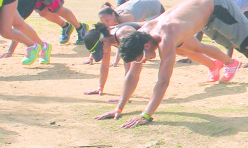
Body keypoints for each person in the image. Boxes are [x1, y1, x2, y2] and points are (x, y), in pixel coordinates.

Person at [95, 0, 248, 127]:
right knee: (246, 49)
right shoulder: (142, 35)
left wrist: (146, 115)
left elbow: (162, 81)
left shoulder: (166, 38)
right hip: (205, 11)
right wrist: (119, 107)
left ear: (146, 46)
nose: (144, 61)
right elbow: (133, 73)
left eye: (143, 57)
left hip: (217, 5)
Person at [82, 20, 231, 95]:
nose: (104, 53)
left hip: (165, 31)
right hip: (154, 41)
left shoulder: (123, 35)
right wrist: (100, 87)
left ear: (104, 41)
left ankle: (229, 62)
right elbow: (104, 65)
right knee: (186, 52)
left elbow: (133, 70)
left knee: (198, 48)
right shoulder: (107, 41)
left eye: (102, 50)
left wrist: (124, 95)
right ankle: (214, 66)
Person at [0, 0, 88, 55]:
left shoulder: (16, 5)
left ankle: (80, 28)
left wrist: (10, 51)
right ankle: (66, 26)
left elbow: (19, 27)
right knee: (43, 13)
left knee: (57, 10)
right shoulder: (4, 3)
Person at [98, 0, 165, 27]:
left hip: (156, 8)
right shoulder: (114, 13)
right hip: (144, 1)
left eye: (107, 20)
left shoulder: (125, 19)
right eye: (103, 22)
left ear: (113, 15)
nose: (105, 24)